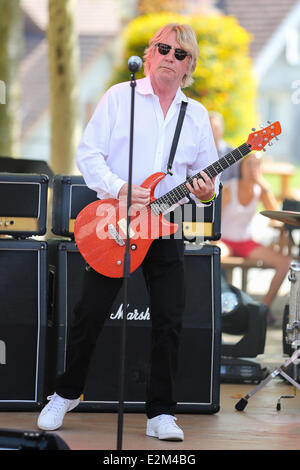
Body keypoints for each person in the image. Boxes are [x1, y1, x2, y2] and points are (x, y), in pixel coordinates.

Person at [37, 23, 219, 441]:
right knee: (89, 314)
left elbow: (207, 179)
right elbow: (89, 153)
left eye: (181, 54)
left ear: (189, 65)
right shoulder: (121, 97)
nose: (171, 58)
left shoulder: (195, 116)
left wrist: (208, 194)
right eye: (164, 49)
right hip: (115, 223)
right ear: (149, 53)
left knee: (171, 320)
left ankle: (160, 413)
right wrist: (120, 188)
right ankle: (66, 393)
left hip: (165, 228)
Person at [217, 153, 292, 323]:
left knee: (285, 262)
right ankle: (223, 306)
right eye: (249, 164)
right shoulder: (230, 188)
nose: (252, 169)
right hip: (225, 239)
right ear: (241, 168)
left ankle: (262, 309)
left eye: (256, 165)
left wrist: (265, 187)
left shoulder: (260, 190)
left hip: (246, 241)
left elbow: (278, 218)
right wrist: (215, 241)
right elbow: (216, 218)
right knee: (215, 256)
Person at [209, 111, 240, 183]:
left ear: (222, 130)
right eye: (210, 128)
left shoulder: (232, 152)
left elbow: (237, 180)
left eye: (215, 128)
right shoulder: (199, 151)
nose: (212, 131)